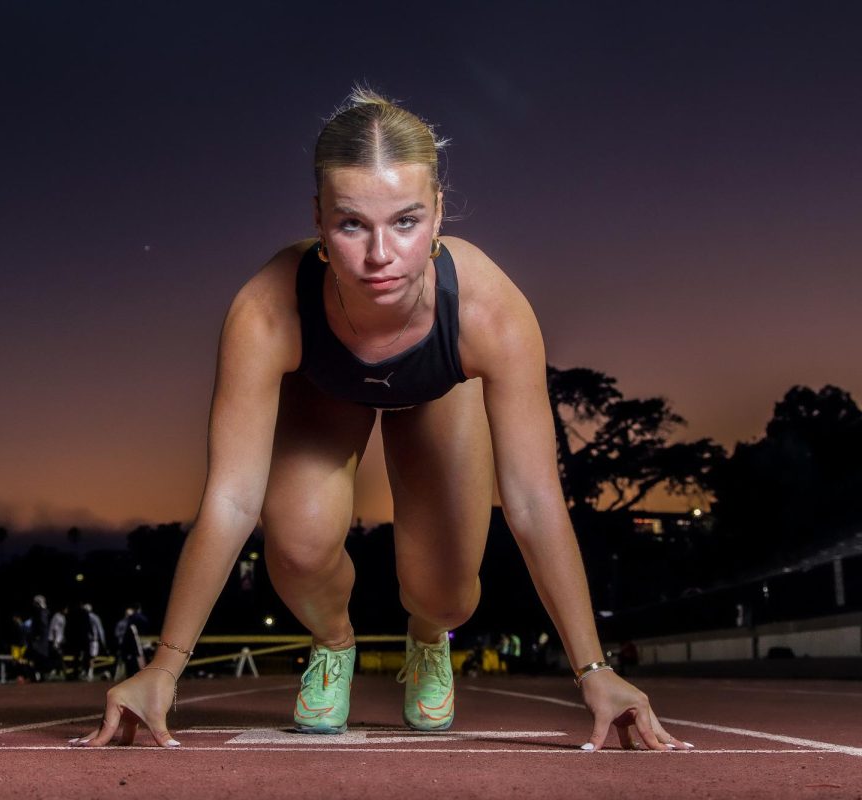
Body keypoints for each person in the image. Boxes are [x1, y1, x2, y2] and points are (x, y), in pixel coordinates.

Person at [74, 87, 692, 752]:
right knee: (299, 544)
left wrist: (593, 670)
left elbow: (535, 502)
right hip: (324, 389)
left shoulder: (489, 312)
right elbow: (229, 498)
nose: (379, 256)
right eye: (350, 225)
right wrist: (165, 666)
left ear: (438, 215)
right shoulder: (267, 311)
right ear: (317, 219)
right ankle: (334, 643)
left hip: (437, 391)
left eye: (405, 221)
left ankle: (427, 640)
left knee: (447, 594)